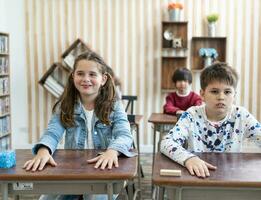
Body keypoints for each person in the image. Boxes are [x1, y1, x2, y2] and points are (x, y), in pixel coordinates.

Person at [23, 51, 135, 200]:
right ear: (73, 76)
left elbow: (125, 135)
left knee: (93, 197)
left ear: (103, 79)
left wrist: (113, 151)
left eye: (92, 74)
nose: (86, 79)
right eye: (80, 73)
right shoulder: (65, 105)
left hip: (103, 171)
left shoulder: (114, 105)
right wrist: (44, 150)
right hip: (72, 170)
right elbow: (52, 132)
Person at [161, 62, 261, 178]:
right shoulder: (191, 115)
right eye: (214, 91)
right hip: (198, 175)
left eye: (227, 92)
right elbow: (166, 143)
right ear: (202, 94)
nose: (221, 97)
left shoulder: (242, 116)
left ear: (234, 95)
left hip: (231, 176)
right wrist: (189, 158)